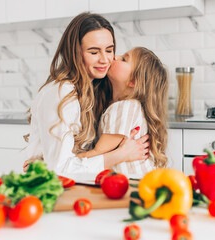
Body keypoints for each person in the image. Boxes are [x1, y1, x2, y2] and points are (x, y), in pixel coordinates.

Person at [23, 12, 149, 174]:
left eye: (109, 50)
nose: (105, 59)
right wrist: (120, 154)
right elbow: (60, 168)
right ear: (75, 54)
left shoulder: (96, 88)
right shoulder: (62, 93)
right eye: (94, 52)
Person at [77, 47, 169, 175]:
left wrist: (68, 161)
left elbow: (97, 154)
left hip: (133, 183)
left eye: (124, 59)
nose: (115, 56)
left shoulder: (125, 107)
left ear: (133, 81)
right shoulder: (123, 105)